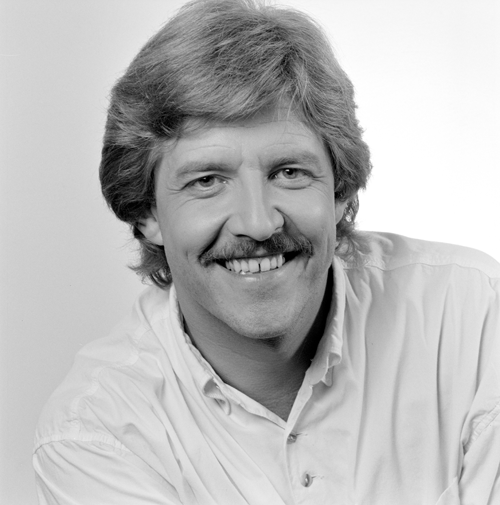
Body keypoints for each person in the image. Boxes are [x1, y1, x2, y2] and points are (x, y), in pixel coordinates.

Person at [33, 0, 500, 503]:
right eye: (207, 181)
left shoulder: (473, 318)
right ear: (146, 213)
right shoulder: (95, 436)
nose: (258, 223)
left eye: (289, 172)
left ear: (340, 191)